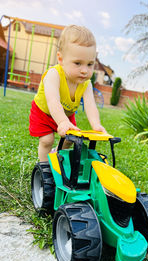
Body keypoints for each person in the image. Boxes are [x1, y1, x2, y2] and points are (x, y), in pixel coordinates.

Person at [29, 25, 106, 162]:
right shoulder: (54, 75)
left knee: (70, 140)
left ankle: (57, 157)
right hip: (44, 112)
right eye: (78, 63)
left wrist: (96, 124)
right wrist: (62, 121)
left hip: (66, 115)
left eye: (89, 64)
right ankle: (44, 166)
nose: (84, 70)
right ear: (60, 59)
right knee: (47, 140)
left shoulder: (86, 83)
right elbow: (53, 101)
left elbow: (90, 106)